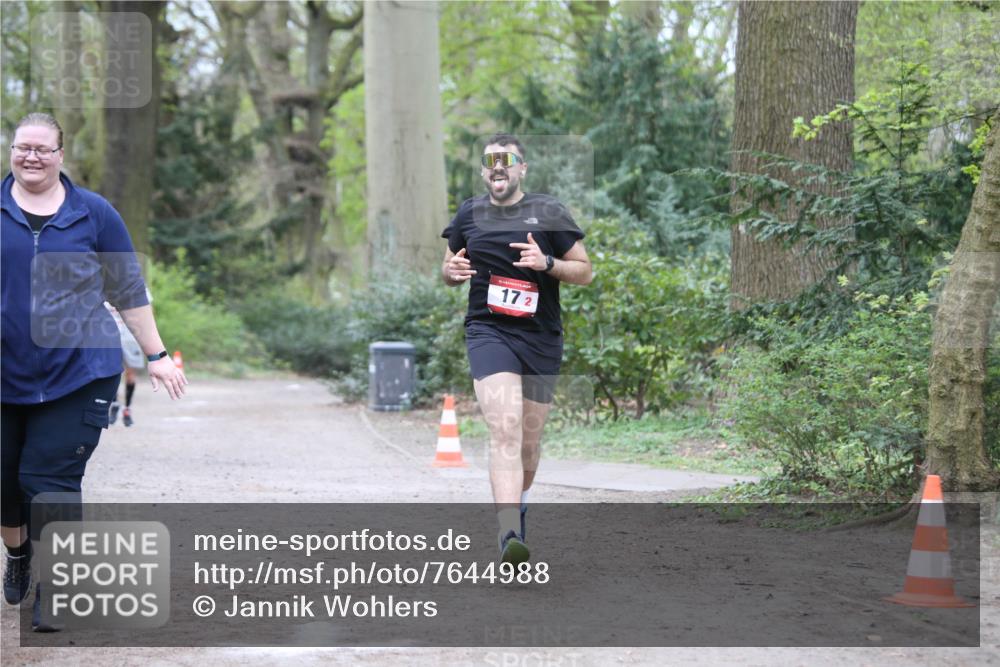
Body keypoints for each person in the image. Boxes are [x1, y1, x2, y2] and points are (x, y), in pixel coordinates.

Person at [1, 112, 187, 631]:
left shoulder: (93, 214)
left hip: (78, 372)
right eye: (22, 147)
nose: (31, 156)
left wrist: (156, 355)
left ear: (61, 155)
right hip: (5, 373)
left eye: (42, 148)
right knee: (6, 485)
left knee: (49, 479)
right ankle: (17, 554)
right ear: (12, 151)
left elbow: (127, 290)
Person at [441, 133, 592, 564]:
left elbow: (585, 271)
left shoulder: (547, 211)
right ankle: (508, 533)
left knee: (528, 441)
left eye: (508, 160)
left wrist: (547, 263)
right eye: (490, 161)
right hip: (489, 332)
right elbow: (450, 267)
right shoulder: (469, 213)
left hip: (540, 337)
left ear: (522, 169)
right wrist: (450, 272)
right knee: (505, 427)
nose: (498, 167)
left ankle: (519, 507)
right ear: (484, 171)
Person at [106, 288, 153, 427]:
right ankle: (114, 405)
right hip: (109, 335)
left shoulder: (137, 286)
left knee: (130, 374)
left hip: (131, 336)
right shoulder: (103, 284)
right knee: (113, 372)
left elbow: (148, 313)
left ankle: (127, 409)